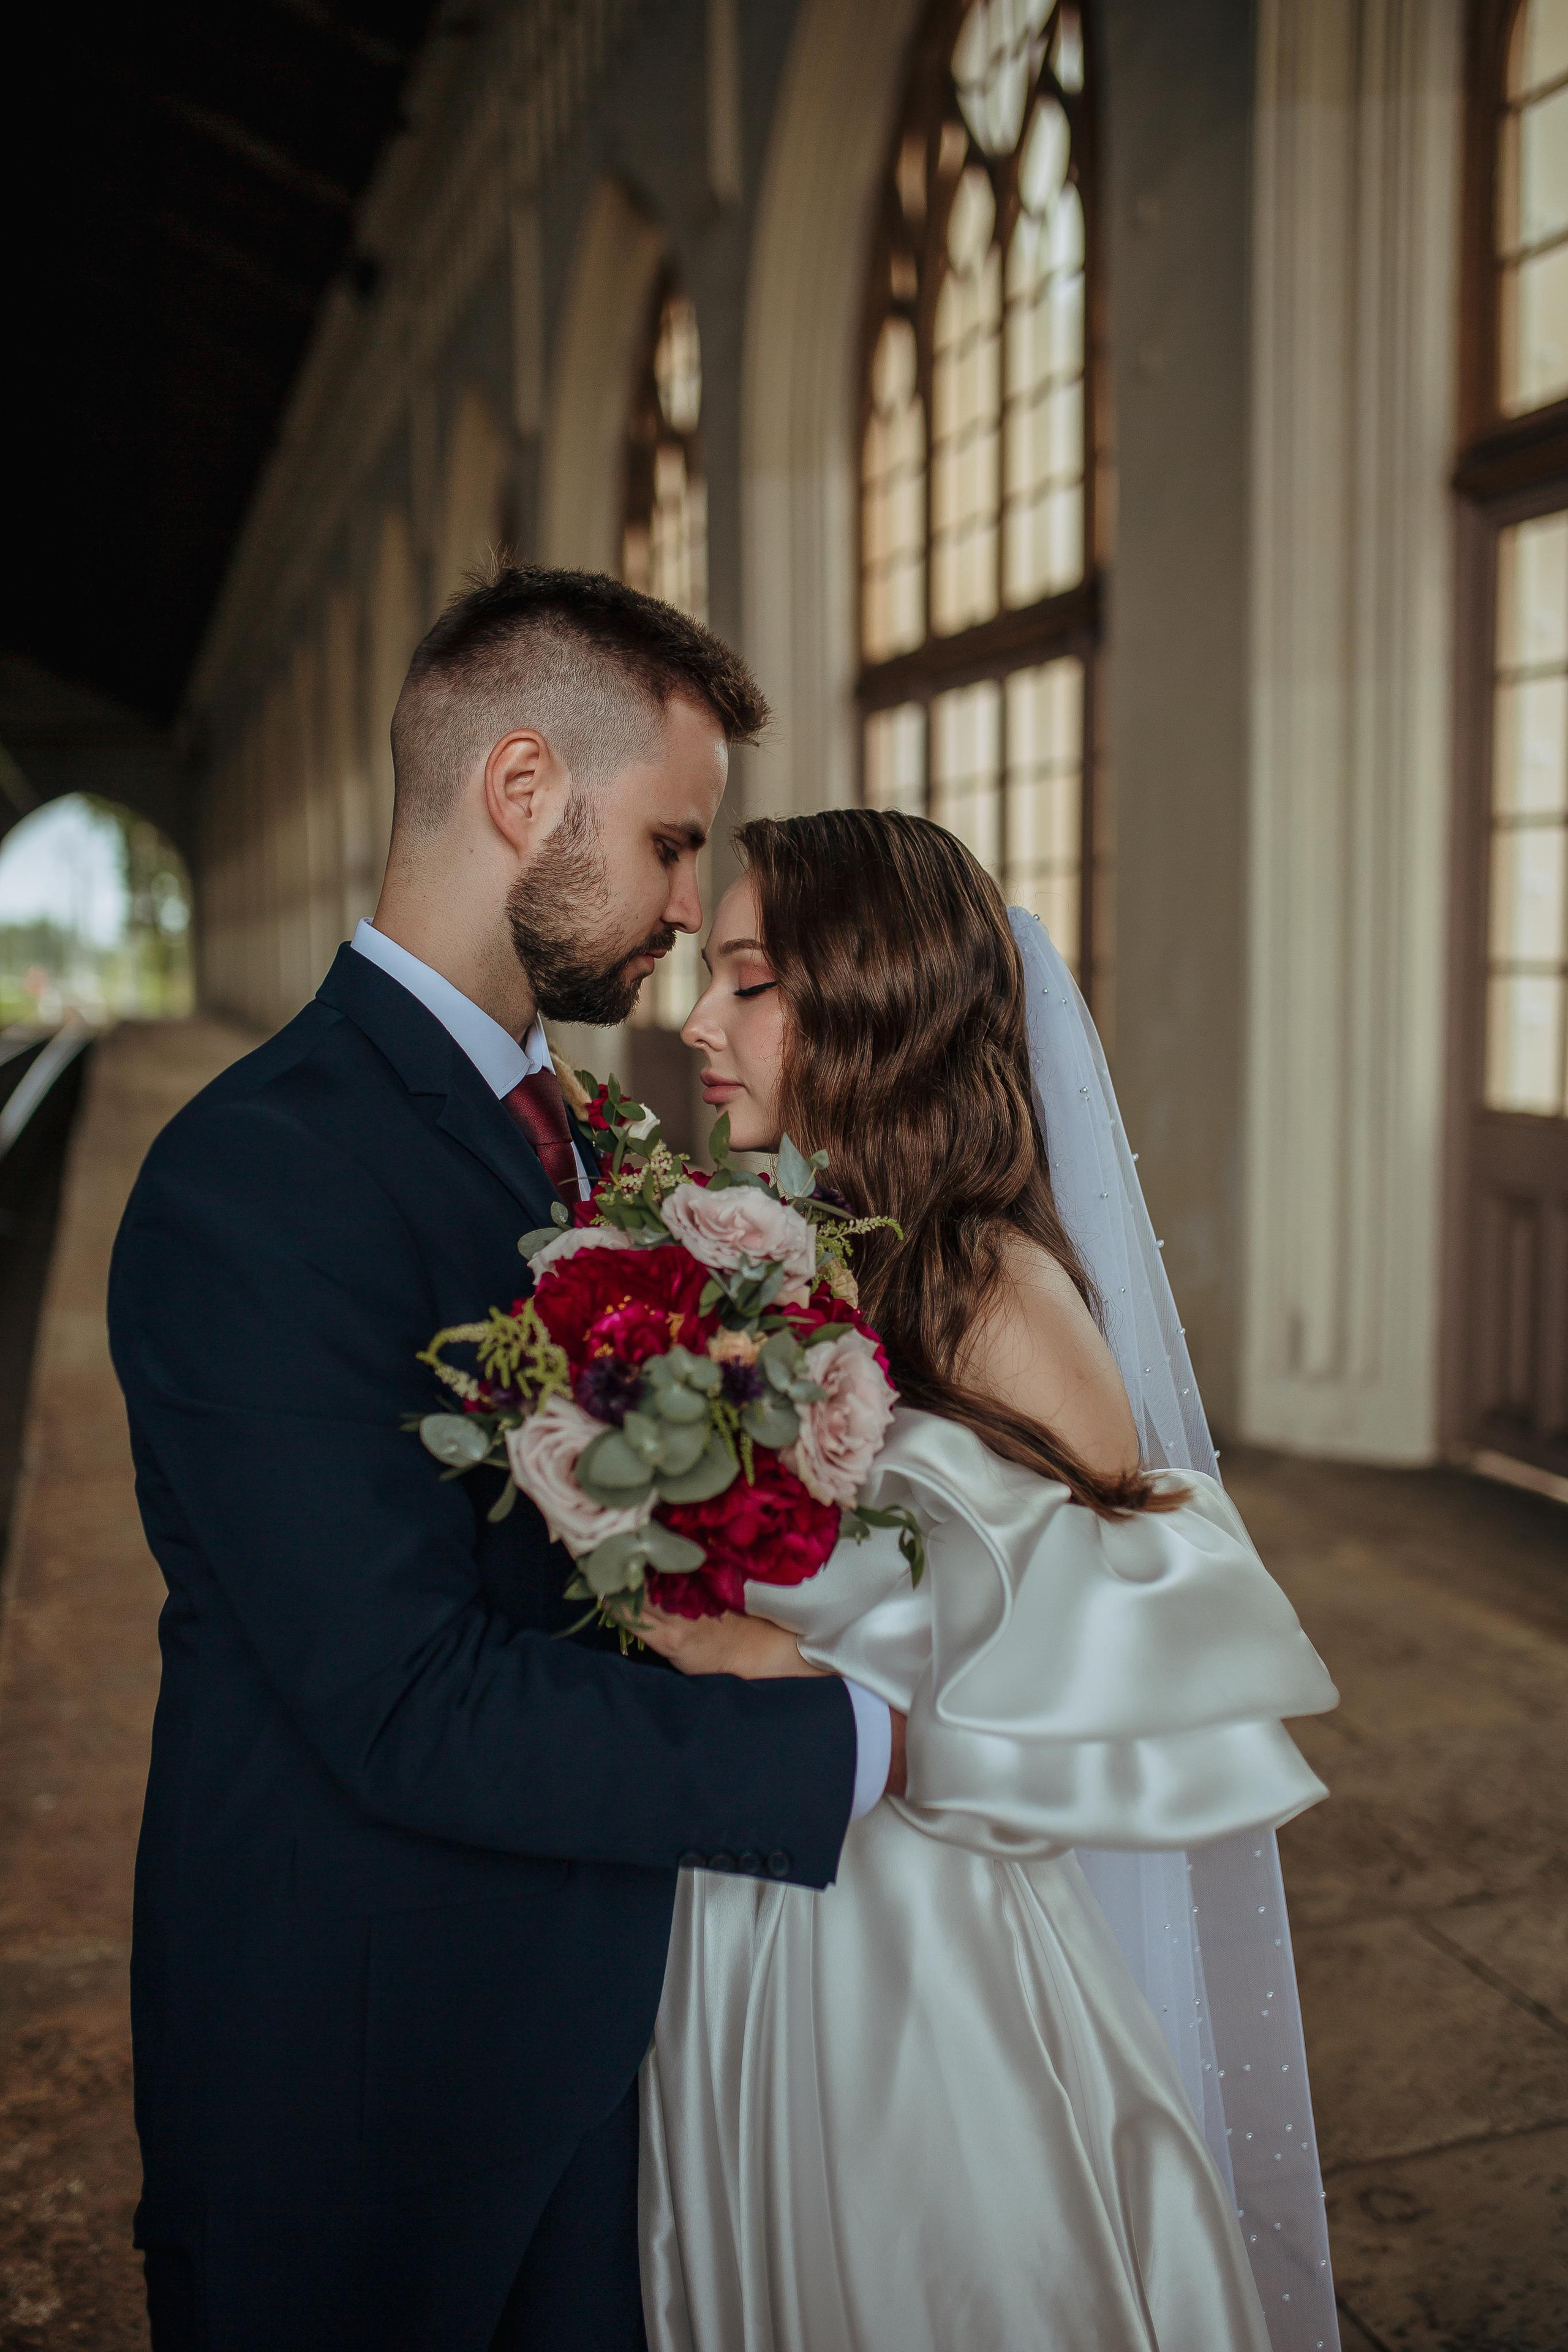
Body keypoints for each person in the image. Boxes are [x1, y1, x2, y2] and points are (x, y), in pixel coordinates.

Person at [107, 570, 902, 2352]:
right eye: (676, 846)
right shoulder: (252, 1181)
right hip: (366, 2072)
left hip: (606, 2031)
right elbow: (401, 1700)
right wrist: (844, 1740)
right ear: (524, 791)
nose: (693, 912)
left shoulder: (594, 1136)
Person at [633, 807, 1341, 2352]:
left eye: (746, 980)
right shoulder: (786, 1252)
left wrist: (790, 1661)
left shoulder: (995, 1302)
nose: (694, 1018)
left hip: (919, 1966)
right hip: (752, 1906)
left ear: (877, 1002)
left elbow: (1117, 1688)